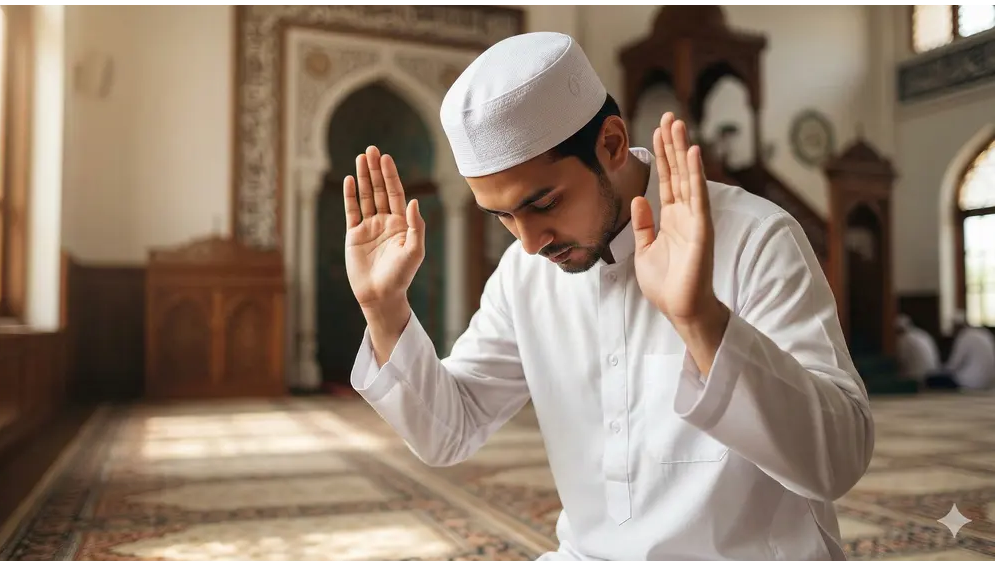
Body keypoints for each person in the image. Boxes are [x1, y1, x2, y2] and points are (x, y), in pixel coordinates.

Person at [343, 32, 873, 564]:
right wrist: (385, 310)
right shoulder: (522, 274)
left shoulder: (755, 237)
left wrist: (703, 322)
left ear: (612, 144)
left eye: (543, 203)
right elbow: (448, 433)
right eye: (503, 217)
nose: (529, 242)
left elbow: (837, 462)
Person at [944, 310, 995, 391]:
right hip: (990, 383)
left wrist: (941, 370)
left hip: (971, 383)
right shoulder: (983, 333)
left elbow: (954, 365)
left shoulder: (964, 337)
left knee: (937, 380)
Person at [894, 314, 942, 383]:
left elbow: (902, 360)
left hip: (919, 376)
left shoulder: (904, 338)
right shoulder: (922, 333)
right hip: (934, 372)